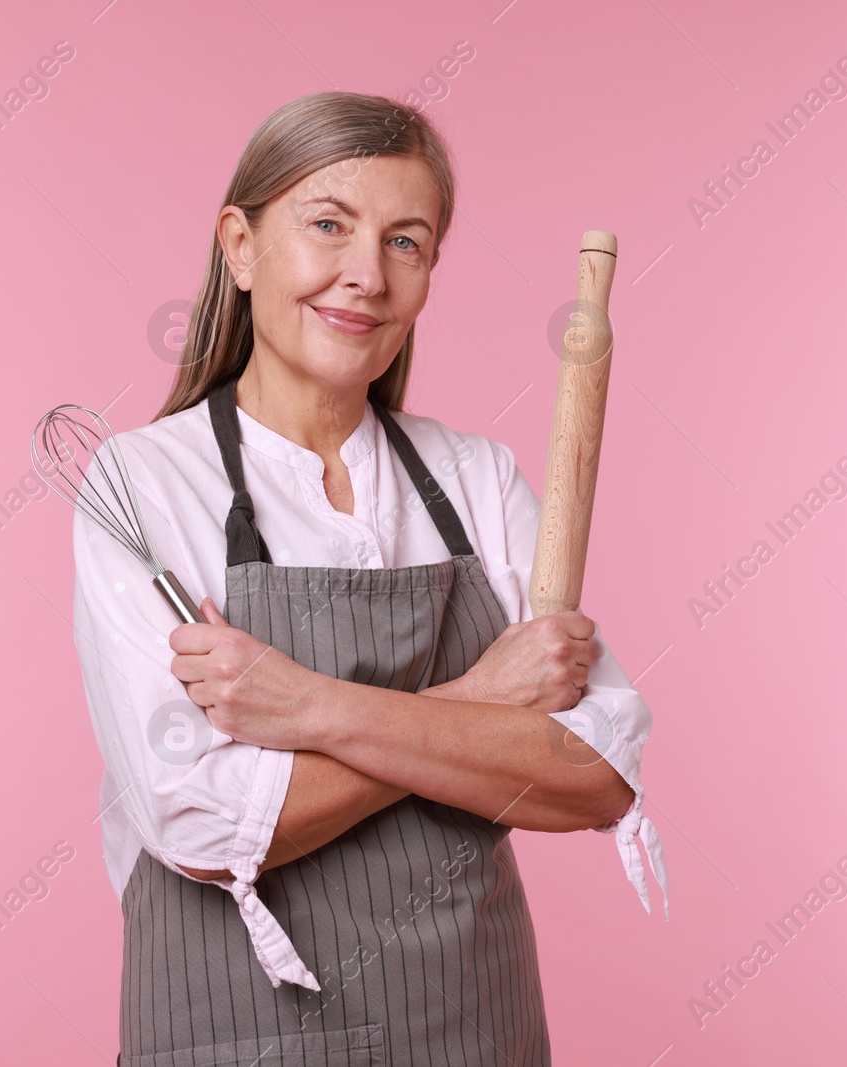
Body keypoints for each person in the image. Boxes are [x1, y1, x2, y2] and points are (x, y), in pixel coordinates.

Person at [71, 89, 667, 1067]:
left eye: (406, 241)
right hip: (237, 1032)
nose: (365, 275)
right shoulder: (144, 482)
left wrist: (303, 706)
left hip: (473, 1020)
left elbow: (595, 776)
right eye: (327, 226)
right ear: (240, 244)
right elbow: (201, 822)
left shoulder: (474, 477)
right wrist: (478, 701)